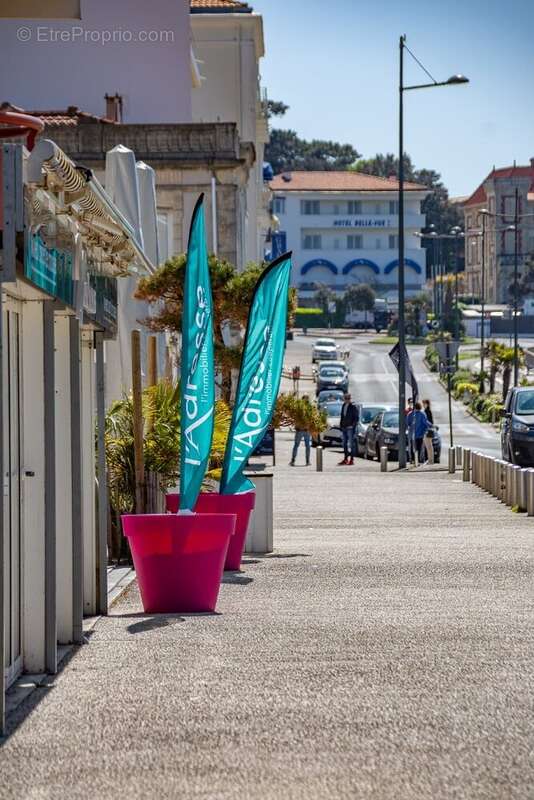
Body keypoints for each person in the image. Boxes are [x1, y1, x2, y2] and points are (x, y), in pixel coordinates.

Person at [290, 395, 312, 466]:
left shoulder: (308, 409)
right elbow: (295, 418)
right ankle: (293, 460)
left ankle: (307, 461)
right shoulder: (300, 409)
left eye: (307, 400)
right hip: (301, 430)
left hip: (305, 430)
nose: (306, 401)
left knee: (306, 446)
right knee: (298, 445)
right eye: (306, 400)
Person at [339, 393, 359, 465]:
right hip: (344, 427)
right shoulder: (343, 405)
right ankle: (345, 459)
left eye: (348, 398)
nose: (347, 400)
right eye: (346, 398)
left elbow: (356, 418)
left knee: (351, 444)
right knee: (344, 443)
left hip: (350, 428)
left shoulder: (353, 406)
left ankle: (352, 459)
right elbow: (342, 416)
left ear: (350, 399)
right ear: (344, 399)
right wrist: (341, 425)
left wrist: (352, 426)